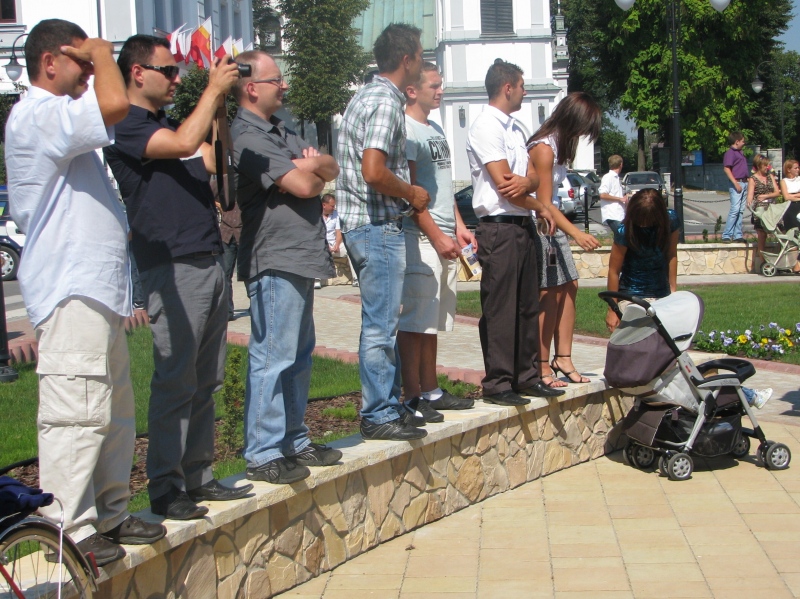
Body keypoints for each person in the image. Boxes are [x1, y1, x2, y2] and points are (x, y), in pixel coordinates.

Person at [5, 19, 165, 566]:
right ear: (50, 61)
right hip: (69, 289)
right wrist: (102, 51)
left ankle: (111, 513)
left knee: (111, 411)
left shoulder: (61, 117)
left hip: (94, 293)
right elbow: (115, 105)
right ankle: (68, 528)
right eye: (81, 62)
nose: (90, 72)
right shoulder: (39, 113)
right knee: (75, 413)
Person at [105, 35, 253, 520]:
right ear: (137, 73)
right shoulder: (126, 125)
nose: (175, 78)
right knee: (176, 380)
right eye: (167, 71)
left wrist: (220, 109)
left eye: (177, 71)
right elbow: (188, 145)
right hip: (171, 265)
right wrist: (212, 90)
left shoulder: (169, 123)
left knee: (206, 380)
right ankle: (166, 488)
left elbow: (213, 161)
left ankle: (198, 475)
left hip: (207, 258)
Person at [230, 50, 342, 484]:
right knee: (273, 355)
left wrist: (311, 166)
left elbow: (328, 167)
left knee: (298, 355)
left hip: (299, 255)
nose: (285, 86)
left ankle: (293, 440)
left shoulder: (281, 130)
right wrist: (308, 167)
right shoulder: (246, 135)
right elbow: (304, 184)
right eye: (276, 80)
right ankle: (263, 452)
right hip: (274, 257)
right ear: (251, 87)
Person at [336, 24, 431, 441]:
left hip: (367, 225)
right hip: (376, 226)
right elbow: (373, 171)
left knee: (383, 322)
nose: (423, 62)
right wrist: (411, 192)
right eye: (421, 55)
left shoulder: (368, 95)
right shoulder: (385, 102)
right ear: (406, 59)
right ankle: (377, 415)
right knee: (381, 325)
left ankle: (389, 406)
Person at [606, 189, 772, 409]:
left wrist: (673, 291)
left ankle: (739, 395)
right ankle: (745, 395)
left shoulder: (670, 221)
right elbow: (613, 270)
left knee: (671, 355)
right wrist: (612, 308)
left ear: (658, 216)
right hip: (632, 297)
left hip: (661, 296)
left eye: (648, 220)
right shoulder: (624, 230)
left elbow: (671, 255)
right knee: (662, 355)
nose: (644, 225)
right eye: (640, 220)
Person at [466, 58, 563, 406]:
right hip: (499, 228)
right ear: (507, 88)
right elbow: (506, 184)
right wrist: (541, 205)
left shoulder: (518, 129)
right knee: (501, 307)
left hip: (522, 226)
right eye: (522, 85)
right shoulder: (485, 126)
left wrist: (529, 185)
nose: (525, 91)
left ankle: (527, 376)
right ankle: (498, 383)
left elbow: (532, 175)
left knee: (526, 305)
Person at [396, 62, 476, 421]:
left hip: (443, 234)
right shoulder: (407, 131)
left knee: (432, 322)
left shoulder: (436, 129)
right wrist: (436, 235)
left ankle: (431, 390)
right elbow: (412, 194)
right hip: (421, 238)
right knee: (415, 320)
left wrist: (458, 226)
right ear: (412, 90)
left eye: (441, 84)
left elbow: (443, 186)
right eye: (434, 85)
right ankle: (411, 397)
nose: (441, 91)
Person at [527, 92, 602, 388]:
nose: (583, 135)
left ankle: (563, 358)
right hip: (541, 226)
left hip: (552, 225)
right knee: (549, 294)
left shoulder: (558, 148)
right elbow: (544, 204)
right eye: (584, 128)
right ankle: (542, 365)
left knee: (570, 285)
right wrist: (577, 233)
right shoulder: (544, 149)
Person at [746, 154, 780, 264]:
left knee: (779, 231)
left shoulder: (770, 177)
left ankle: (779, 258)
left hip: (771, 207)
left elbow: (777, 192)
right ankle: (762, 261)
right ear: (759, 166)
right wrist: (750, 204)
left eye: (768, 165)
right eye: (765, 165)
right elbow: (750, 196)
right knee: (762, 235)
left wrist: (766, 196)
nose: (767, 167)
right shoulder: (753, 179)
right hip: (760, 208)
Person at [321, 193, 358, 287]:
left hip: (334, 244)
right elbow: (317, 233)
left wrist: (337, 244)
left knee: (351, 250)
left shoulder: (336, 214)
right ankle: (316, 280)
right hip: (322, 244)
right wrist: (326, 245)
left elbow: (338, 231)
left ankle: (356, 279)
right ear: (324, 205)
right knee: (314, 250)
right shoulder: (316, 215)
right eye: (332, 206)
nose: (334, 208)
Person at [721, 132, 749, 243]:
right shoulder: (730, 153)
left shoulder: (740, 152)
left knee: (740, 211)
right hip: (737, 183)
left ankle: (737, 234)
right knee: (735, 210)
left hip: (744, 182)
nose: (744, 143)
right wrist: (735, 183)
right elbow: (727, 169)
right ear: (737, 142)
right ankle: (727, 234)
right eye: (742, 141)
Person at [599, 154, 627, 230]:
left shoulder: (616, 178)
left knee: (622, 235)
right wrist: (620, 199)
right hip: (613, 215)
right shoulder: (608, 177)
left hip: (618, 214)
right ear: (621, 164)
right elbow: (602, 195)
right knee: (623, 235)